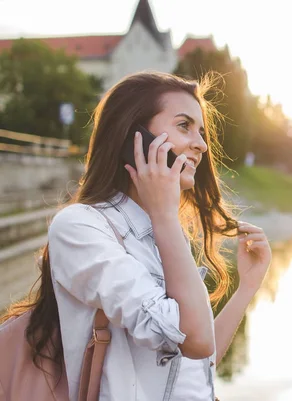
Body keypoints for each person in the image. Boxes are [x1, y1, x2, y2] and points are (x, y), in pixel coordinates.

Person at [1, 71, 272, 400]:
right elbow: (195, 339)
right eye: (184, 125)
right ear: (135, 138)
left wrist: (247, 287)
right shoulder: (81, 227)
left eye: (201, 131)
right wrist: (165, 216)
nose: (201, 144)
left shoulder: (163, 235)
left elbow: (199, 362)